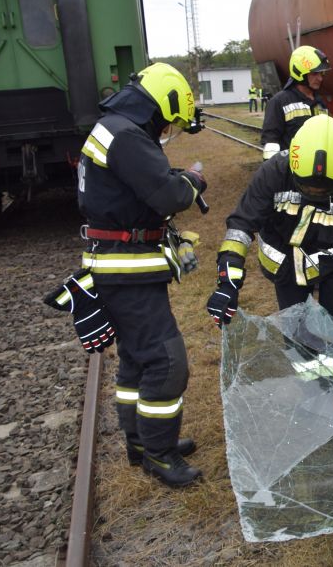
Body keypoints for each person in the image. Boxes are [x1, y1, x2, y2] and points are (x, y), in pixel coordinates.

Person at [69, 62, 207, 487]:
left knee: (135, 360)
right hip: (124, 268)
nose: (167, 129)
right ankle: (160, 455)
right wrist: (194, 180)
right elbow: (169, 193)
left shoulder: (115, 128)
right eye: (169, 120)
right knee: (167, 362)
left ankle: (140, 442)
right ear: (161, 105)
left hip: (118, 267)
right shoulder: (127, 136)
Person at [207, 114, 333, 325]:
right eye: (307, 187)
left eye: (324, 189)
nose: (315, 192)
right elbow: (241, 226)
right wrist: (228, 283)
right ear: (293, 163)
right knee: (295, 331)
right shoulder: (272, 173)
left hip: (331, 265)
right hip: (284, 265)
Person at [261, 45, 331, 160]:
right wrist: (274, 173)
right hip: (290, 172)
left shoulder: (320, 103)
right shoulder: (279, 102)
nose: (320, 78)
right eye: (315, 73)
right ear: (300, 73)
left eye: (322, 73)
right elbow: (270, 143)